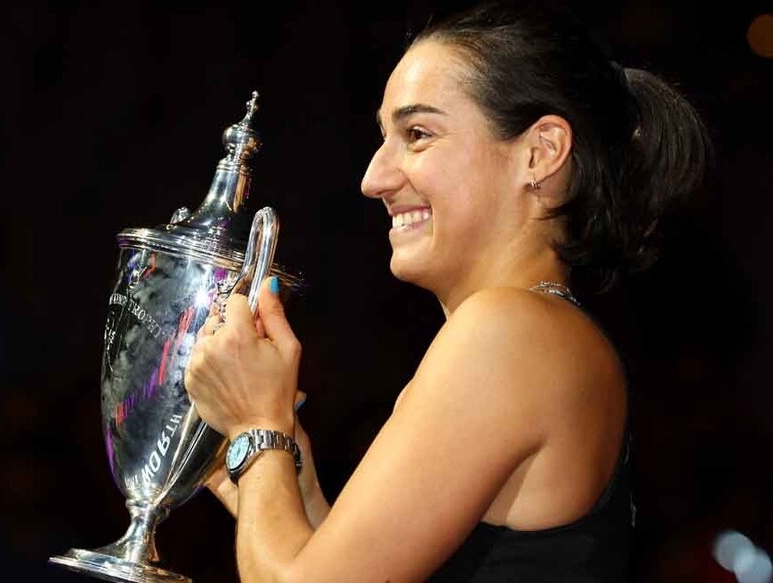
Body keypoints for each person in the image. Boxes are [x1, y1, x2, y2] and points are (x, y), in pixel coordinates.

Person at [184, 1, 710, 580]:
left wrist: (256, 429)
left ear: (540, 152)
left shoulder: (509, 332)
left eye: (417, 134)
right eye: (384, 136)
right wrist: (277, 457)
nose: (373, 178)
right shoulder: (538, 333)